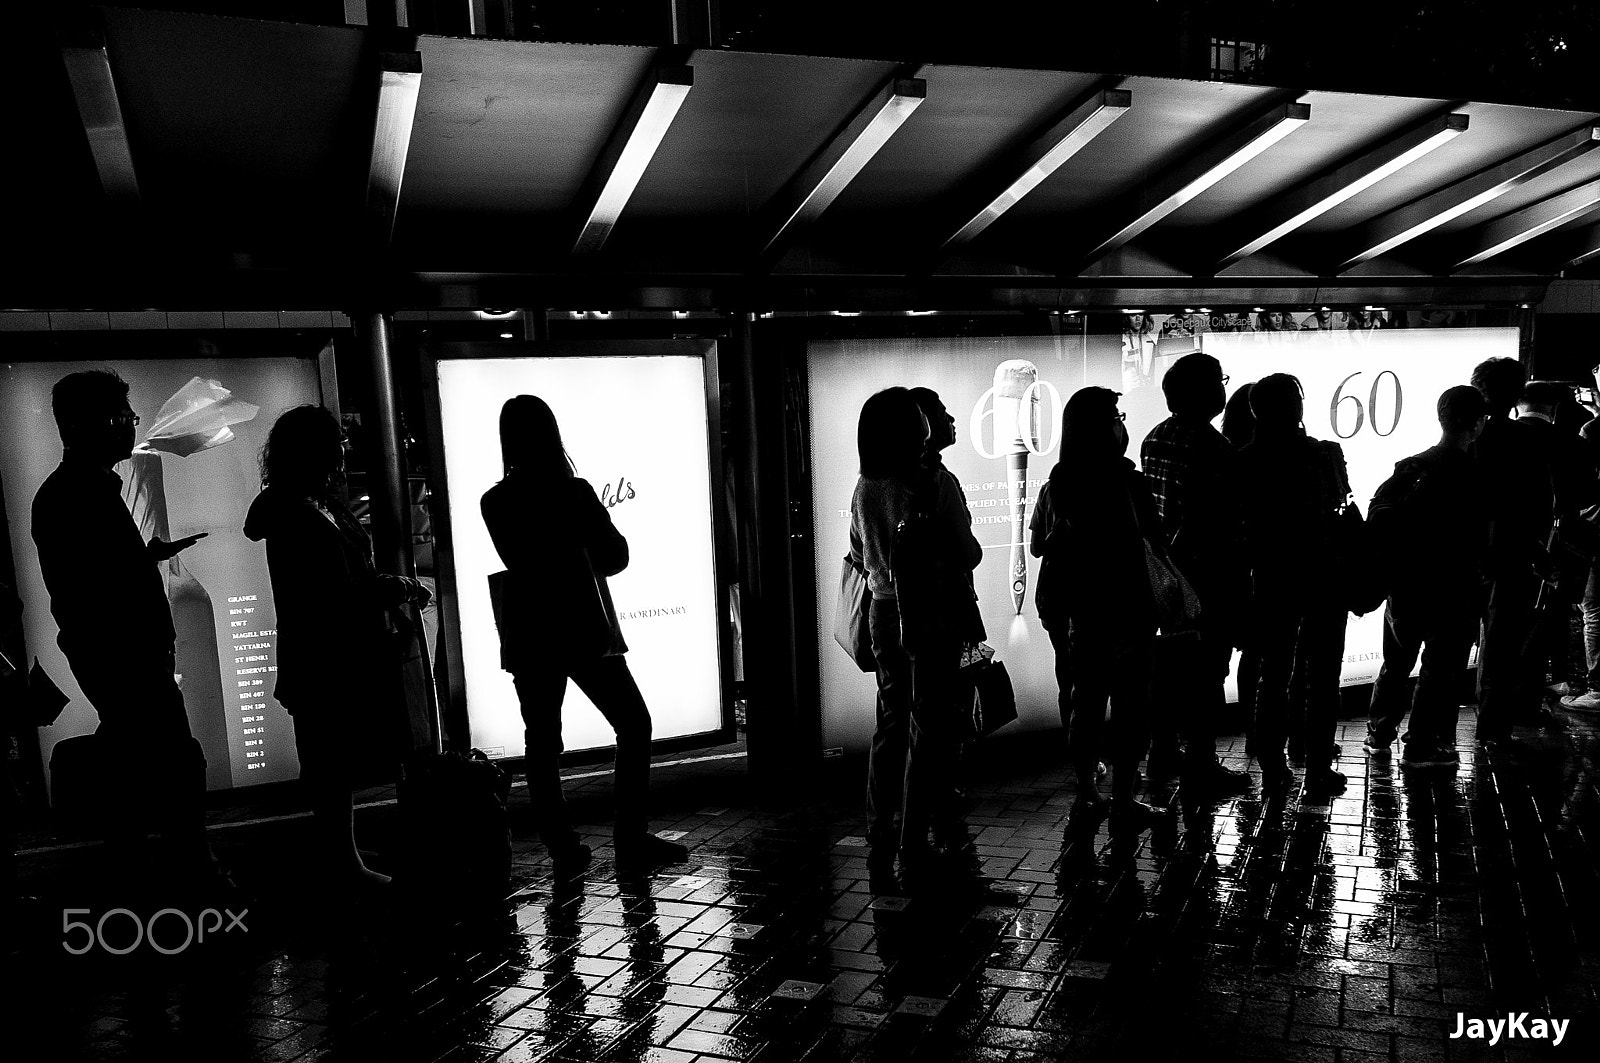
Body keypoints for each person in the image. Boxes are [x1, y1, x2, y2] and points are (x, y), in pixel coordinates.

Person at [481, 395, 688, 878]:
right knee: (633, 723)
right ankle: (629, 835)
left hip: (530, 632)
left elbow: (519, 561)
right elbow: (615, 557)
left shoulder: (495, 501)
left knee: (542, 741)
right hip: (581, 627)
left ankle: (562, 846)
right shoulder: (574, 492)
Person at [31, 370, 219, 890]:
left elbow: (88, 576)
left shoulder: (76, 491)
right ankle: (194, 874)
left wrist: (145, 558)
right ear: (80, 424)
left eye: (129, 417)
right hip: (126, 657)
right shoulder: (77, 494)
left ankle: (134, 873)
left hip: (121, 655)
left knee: (137, 759)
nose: (129, 427)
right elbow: (93, 589)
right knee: (176, 761)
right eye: (120, 417)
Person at [243, 406, 430, 888]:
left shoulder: (314, 504)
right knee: (329, 763)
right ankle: (342, 862)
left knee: (332, 760)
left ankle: (340, 850)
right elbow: (335, 591)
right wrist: (396, 588)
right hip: (324, 654)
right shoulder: (297, 512)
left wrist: (391, 583)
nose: (344, 450)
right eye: (335, 442)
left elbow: (350, 578)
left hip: (330, 652)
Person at [850, 387, 981, 888]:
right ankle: (913, 835)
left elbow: (860, 556)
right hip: (931, 613)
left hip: (884, 612)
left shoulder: (865, 487)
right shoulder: (933, 484)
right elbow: (966, 552)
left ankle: (880, 826)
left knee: (891, 721)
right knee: (929, 724)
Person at [1032, 387, 1161, 835]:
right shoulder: (1127, 480)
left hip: (1084, 611)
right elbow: (1150, 541)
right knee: (1130, 705)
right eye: (1114, 415)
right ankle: (1123, 798)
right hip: (1129, 606)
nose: (1120, 422)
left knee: (1086, 703)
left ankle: (1088, 791)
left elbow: (1044, 546)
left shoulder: (1062, 480)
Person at [1140, 354, 1252, 797]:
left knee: (1168, 670)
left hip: (1165, 576)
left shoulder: (1154, 438)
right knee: (1207, 674)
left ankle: (1163, 753)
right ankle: (1202, 763)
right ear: (1205, 392)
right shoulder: (1214, 449)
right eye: (1220, 380)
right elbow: (1221, 524)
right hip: (1207, 579)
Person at [1364, 386, 1489, 769]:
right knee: (1439, 669)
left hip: (1405, 584)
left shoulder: (1412, 465)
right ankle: (1420, 746)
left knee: (1396, 662)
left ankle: (1378, 735)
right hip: (1453, 587)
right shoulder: (1476, 475)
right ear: (1478, 424)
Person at [1236, 374, 1350, 794]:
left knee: (1274, 672)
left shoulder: (1243, 460)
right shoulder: (1325, 454)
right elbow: (1342, 510)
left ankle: (1272, 765)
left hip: (1271, 577)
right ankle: (1318, 764)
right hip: (1324, 575)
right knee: (1323, 677)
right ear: (1298, 406)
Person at [1472, 359, 1551, 749]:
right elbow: (1539, 502)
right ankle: (1492, 728)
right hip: (1512, 554)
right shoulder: (1526, 440)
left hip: (1465, 554)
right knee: (1501, 649)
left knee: (1449, 643)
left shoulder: (1469, 436)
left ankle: (1433, 730)